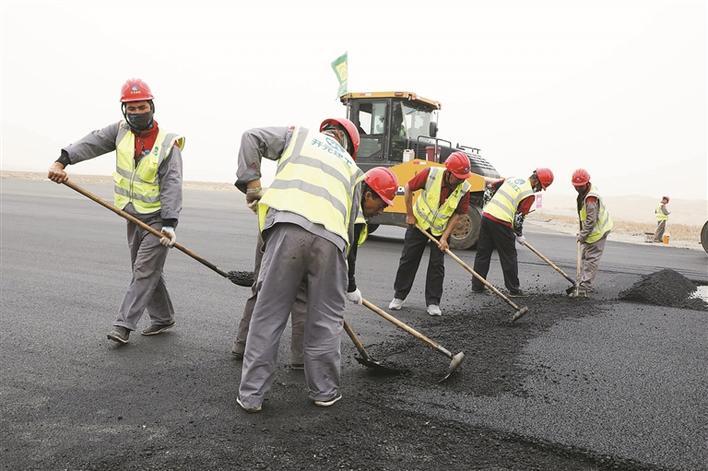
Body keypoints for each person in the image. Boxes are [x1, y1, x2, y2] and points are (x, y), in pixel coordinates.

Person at [234, 118, 395, 413]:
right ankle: (324, 392)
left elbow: (251, 136)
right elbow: (352, 229)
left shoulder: (298, 137)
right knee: (325, 321)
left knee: (268, 315)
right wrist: (349, 285)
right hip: (331, 243)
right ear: (351, 147)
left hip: (287, 231)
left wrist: (253, 183)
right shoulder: (353, 170)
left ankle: (251, 396)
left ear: (327, 132)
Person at [47, 78, 184, 344]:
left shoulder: (168, 143)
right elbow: (92, 142)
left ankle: (123, 325)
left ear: (151, 106)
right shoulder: (120, 131)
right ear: (124, 110)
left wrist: (170, 223)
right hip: (132, 215)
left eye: (141, 107)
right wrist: (62, 160)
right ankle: (163, 317)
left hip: (158, 218)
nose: (136, 113)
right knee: (143, 269)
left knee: (144, 270)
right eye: (130, 108)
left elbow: (172, 183)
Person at [388, 151, 473, 316]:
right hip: (418, 223)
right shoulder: (431, 174)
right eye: (458, 177)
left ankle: (433, 302)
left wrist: (444, 237)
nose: (461, 180)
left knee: (437, 265)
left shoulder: (464, 188)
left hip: (439, 230)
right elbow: (408, 188)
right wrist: (410, 214)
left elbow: (458, 214)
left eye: (463, 177)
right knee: (408, 259)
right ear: (448, 172)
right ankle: (399, 296)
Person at [472, 168, 554, 297]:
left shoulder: (512, 179)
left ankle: (477, 286)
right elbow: (518, 218)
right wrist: (519, 234)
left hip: (487, 217)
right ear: (537, 182)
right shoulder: (528, 194)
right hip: (501, 222)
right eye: (540, 187)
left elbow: (489, 187)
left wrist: (487, 207)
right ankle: (514, 290)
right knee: (509, 256)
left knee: (483, 253)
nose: (539, 190)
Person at [569, 168, 613, 297]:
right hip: (590, 230)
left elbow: (591, 220)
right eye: (575, 186)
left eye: (580, 186)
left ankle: (585, 286)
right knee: (584, 257)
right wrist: (582, 232)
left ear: (587, 183)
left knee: (591, 259)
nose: (577, 189)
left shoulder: (591, 199)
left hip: (598, 231)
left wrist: (583, 235)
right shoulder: (586, 191)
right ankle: (582, 282)